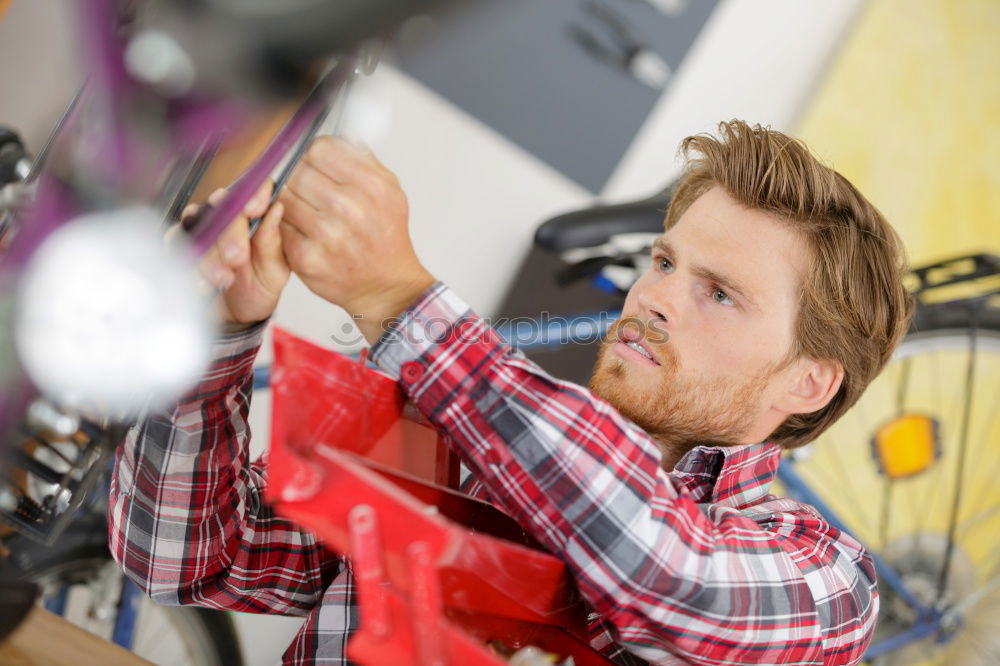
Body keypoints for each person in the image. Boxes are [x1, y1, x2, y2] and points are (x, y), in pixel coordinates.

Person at [109, 120, 914, 665]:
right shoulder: (474, 450)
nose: (654, 297)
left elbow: (665, 573)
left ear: (809, 381)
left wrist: (401, 303)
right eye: (664, 263)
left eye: (721, 293)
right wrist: (219, 330)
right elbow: (186, 560)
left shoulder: (827, 585)